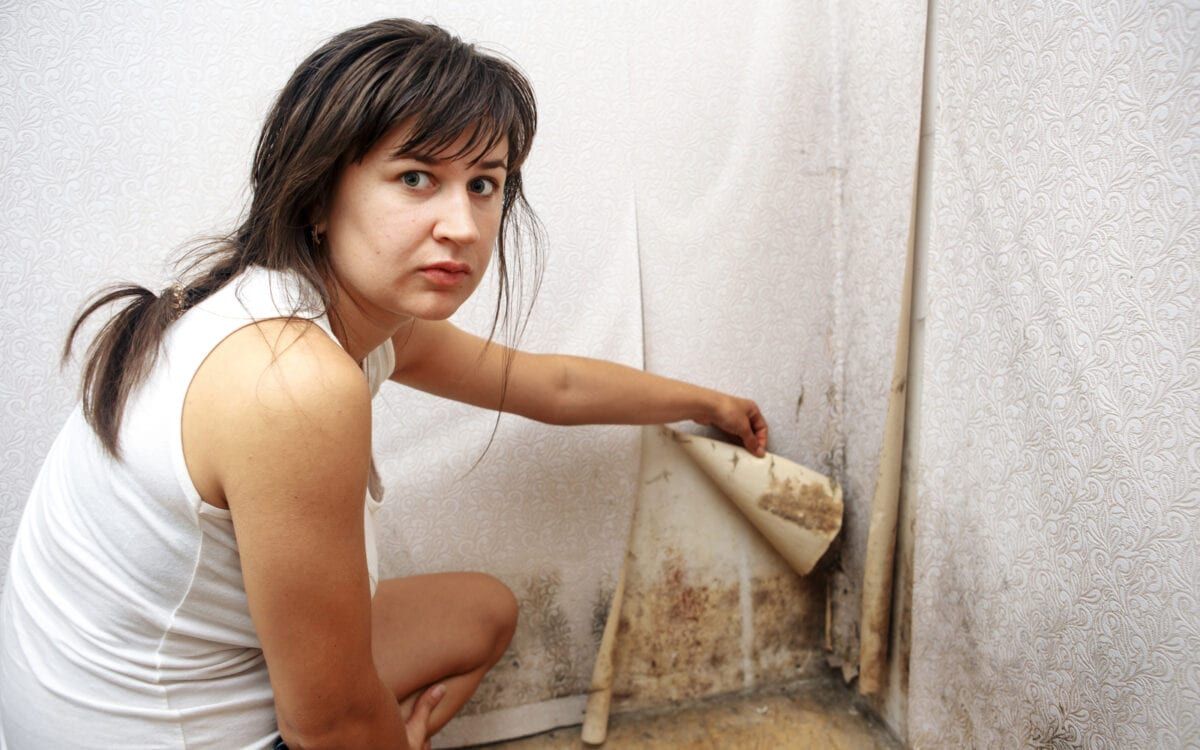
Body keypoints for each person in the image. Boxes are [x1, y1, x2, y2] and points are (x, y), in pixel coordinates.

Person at [0, 18, 768, 750]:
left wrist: (709, 404)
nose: (463, 226)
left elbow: (549, 386)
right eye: (415, 178)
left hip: (116, 693)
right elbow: (324, 727)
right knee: (344, 721)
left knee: (483, 614)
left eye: (483, 185)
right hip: (147, 732)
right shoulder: (292, 383)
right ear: (318, 195)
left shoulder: (300, 305)